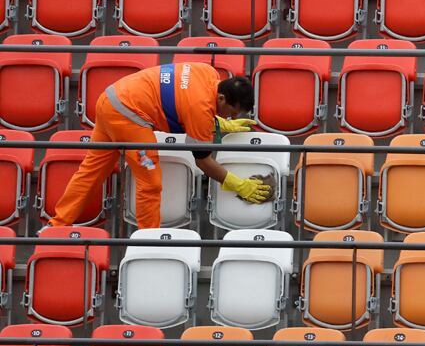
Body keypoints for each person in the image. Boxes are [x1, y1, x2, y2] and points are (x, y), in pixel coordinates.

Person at [48, 61, 272, 230]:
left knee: (91, 171)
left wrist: (218, 123)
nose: (233, 117)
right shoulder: (201, 109)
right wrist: (237, 184)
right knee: (150, 182)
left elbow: (182, 101)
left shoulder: (208, 72)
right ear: (221, 98)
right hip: (128, 116)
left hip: (110, 99)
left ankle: (57, 225)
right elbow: (203, 162)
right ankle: (149, 244)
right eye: (232, 112)